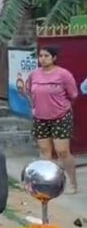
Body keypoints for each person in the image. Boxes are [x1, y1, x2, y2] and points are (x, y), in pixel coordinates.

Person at [27, 46, 79, 194]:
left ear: (54, 58)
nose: (43, 59)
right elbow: (29, 92)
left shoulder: (63, 74)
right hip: (40, 118)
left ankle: (72, 183)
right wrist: (34, 108)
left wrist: (61, 106)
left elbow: (73, 95)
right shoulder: (34, 74)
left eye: (46, 56)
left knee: (62, 151)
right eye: (41, 56)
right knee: (45, 151)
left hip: (60, 117)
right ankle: (49, 182)